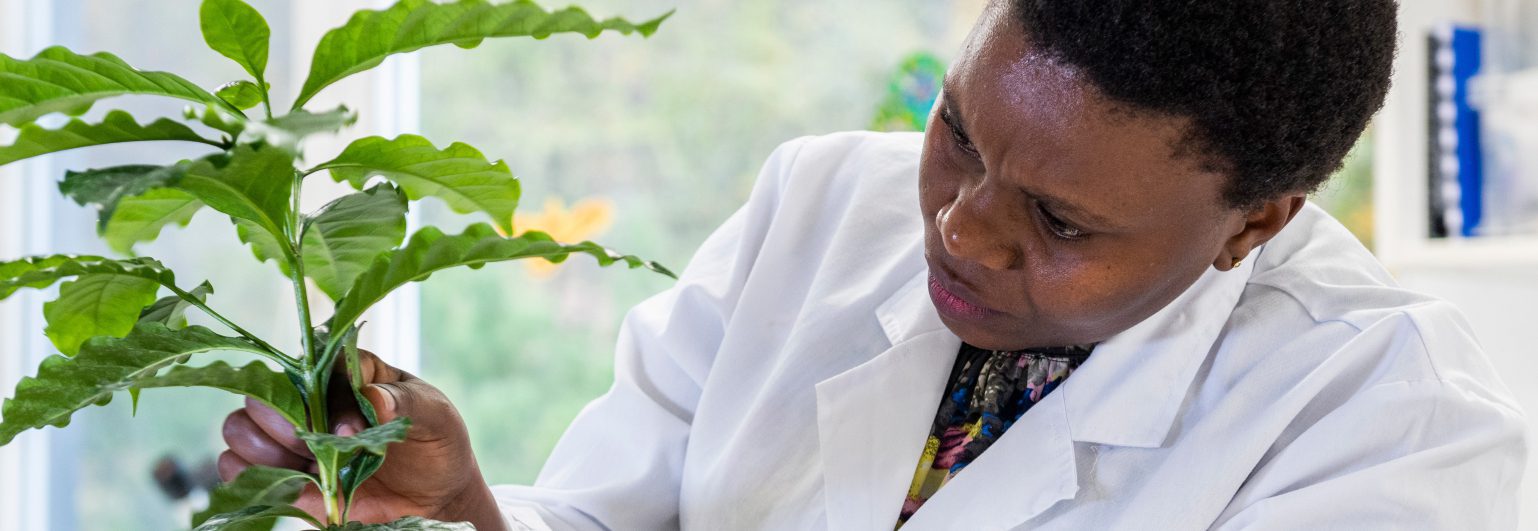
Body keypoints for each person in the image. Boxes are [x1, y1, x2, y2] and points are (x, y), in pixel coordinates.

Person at [220, 1, 1529, 529]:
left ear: (1255, 223)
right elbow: (615, 517)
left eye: (1060, 224)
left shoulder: (1385, 425)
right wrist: (464, 512)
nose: (961, 228)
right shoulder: (817, 203)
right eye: (957, 133)